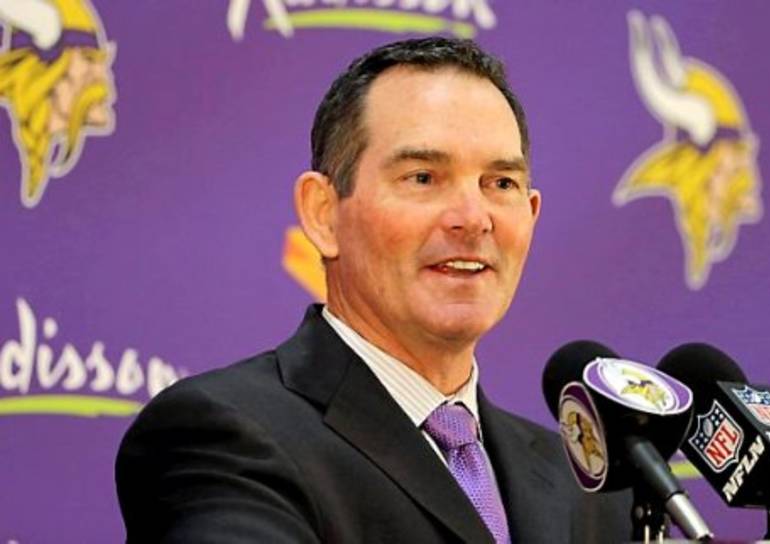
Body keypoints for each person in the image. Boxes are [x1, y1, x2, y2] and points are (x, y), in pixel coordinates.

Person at [116, 37, 631, 543]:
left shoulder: (591, 492)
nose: (474, 219)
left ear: (531, 215)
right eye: (423, 177)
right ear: (323, 214)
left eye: (500, 184)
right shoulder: (226, 435)